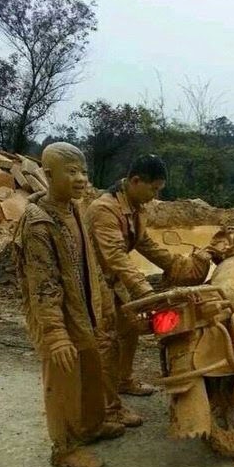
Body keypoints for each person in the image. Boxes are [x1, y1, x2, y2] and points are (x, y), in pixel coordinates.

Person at [13, 142, 128, 467]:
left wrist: (103, 302)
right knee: (63, 381)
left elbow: (90, 263)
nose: (81, 179)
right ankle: (63, 448)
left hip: (83, 314)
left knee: (91, 371)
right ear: (49, 175)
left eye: (84, 171)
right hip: (57, 320)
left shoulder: (75, 210)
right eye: (72, 172)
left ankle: (90, 426)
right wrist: (56, 335)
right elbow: (43, 286)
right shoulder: (38, 225)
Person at [86, 154, 189, 398]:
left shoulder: (135, 208)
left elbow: (144, 243)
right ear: (135, 181)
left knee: (130, 329)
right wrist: (146, 292)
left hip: (114, 279)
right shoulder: (104, 209)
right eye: (153, 189)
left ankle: (123, 381)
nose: (155, 195)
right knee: (106, 339)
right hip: (93, 280)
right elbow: (116, 256)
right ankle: (104, 400)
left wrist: (176, 265)